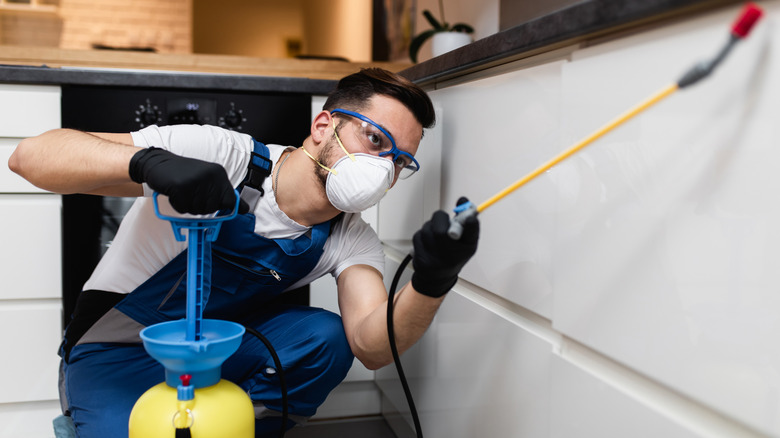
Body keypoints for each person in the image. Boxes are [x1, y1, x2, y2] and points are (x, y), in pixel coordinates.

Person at [9, 68, 479, 437]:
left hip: (215, 354)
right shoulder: (222, 152)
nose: (382, 169)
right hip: (115, 354)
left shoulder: (350, 237)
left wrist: (431, 282)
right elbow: (29, 157)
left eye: (398, 161)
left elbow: (371, 346)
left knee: (326, 336)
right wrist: (148, 162)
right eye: (375, 140)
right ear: (323, 126)